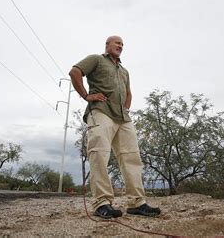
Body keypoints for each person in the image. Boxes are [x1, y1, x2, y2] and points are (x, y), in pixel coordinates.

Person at [69, 35, 161, 219]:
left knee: (132, 157)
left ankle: (137, 203)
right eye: (117, 43)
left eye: (122, 44)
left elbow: (129, 93)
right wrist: (86, 96)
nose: (120, 46)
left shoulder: (124, 71)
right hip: (101, 111)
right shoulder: (96, 59)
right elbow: (75, 72)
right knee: (99, 154)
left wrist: (125, 109)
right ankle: (101, 203)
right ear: (107, 45)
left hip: (123, 118)